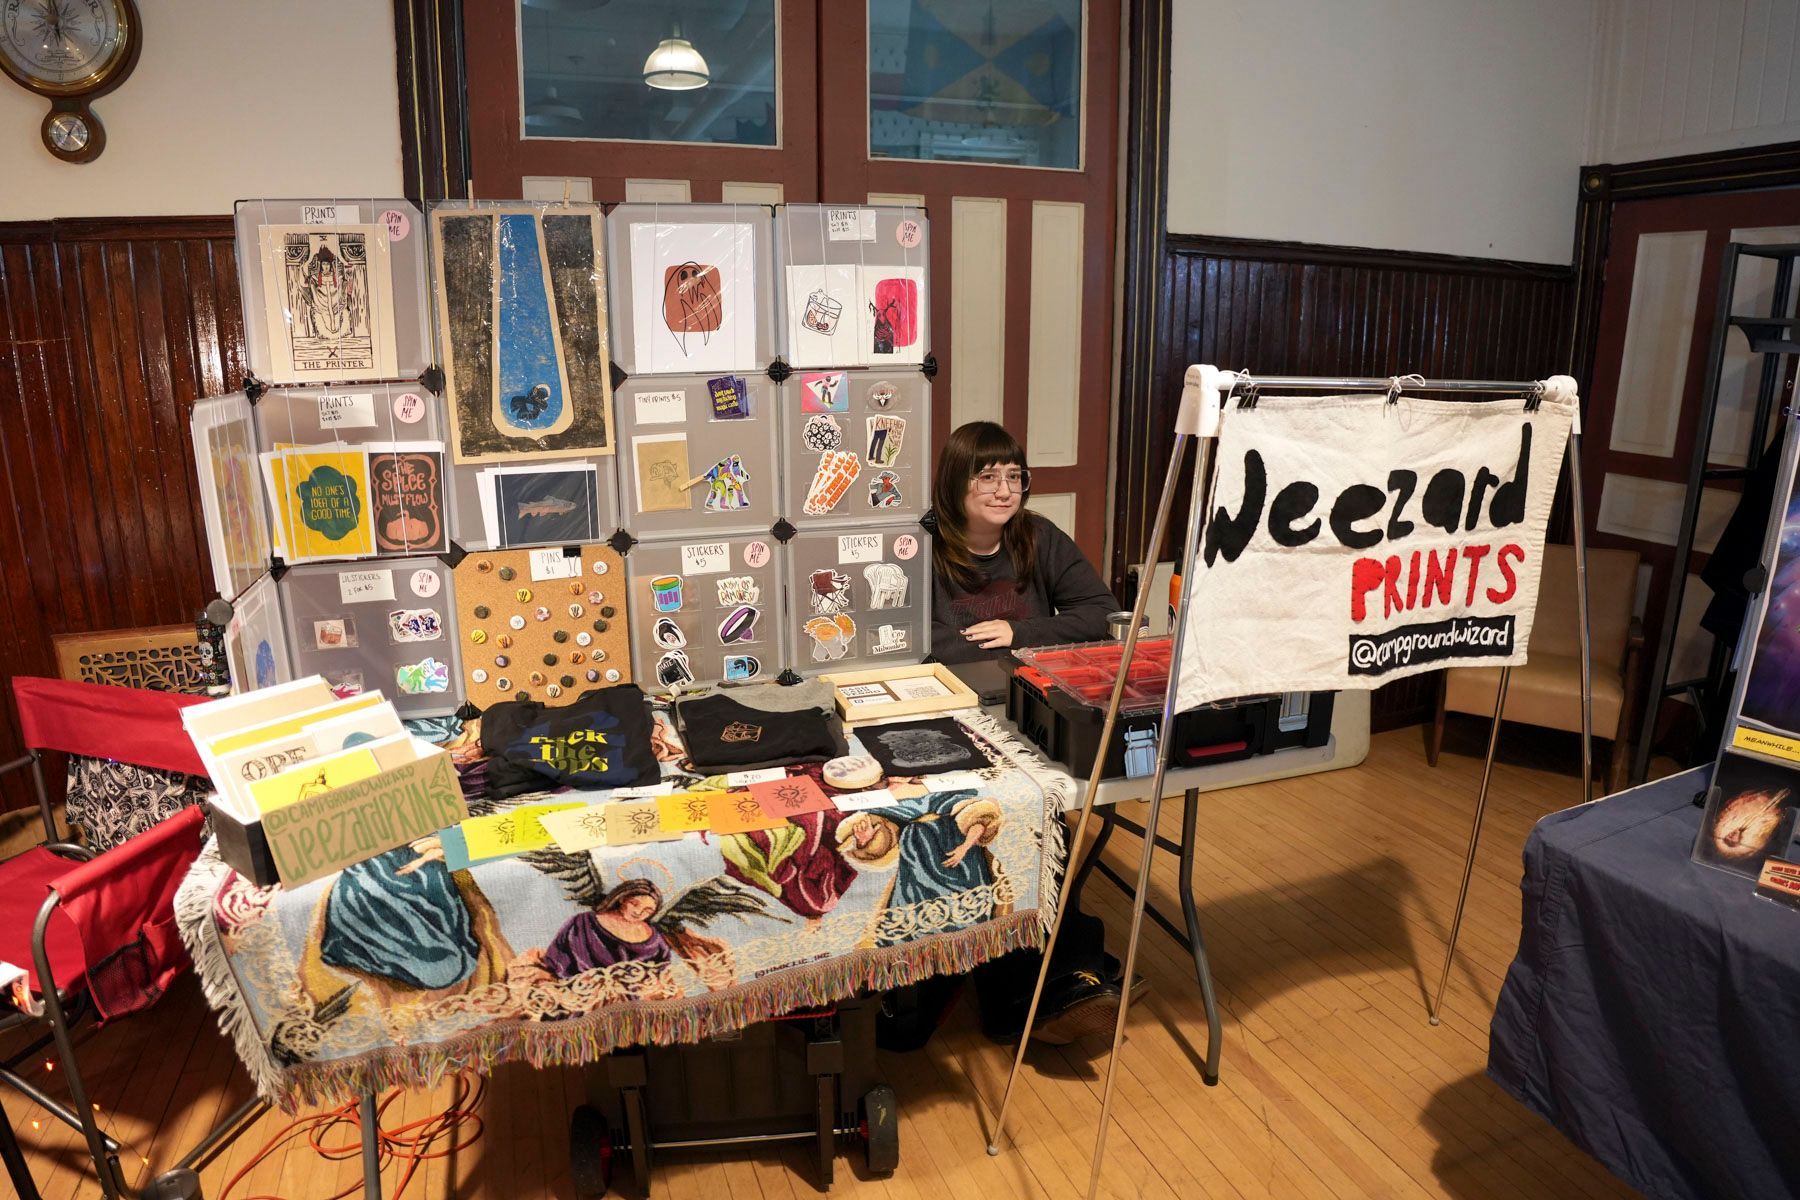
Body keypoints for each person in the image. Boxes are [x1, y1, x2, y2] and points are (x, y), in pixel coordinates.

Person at [925, 420, 1139, 1045]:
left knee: (1042, 819)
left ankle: (1049, 984)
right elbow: (909, 637)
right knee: (992, 823)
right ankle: (1051, 982)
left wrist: (1021, 635)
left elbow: (1099, 612)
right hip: (951, 712)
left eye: (1014, 477)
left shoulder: (1038, 538)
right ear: (955, 482)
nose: (1004, 490)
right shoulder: (923, 545)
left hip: (1031, 706)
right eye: (986, 477)